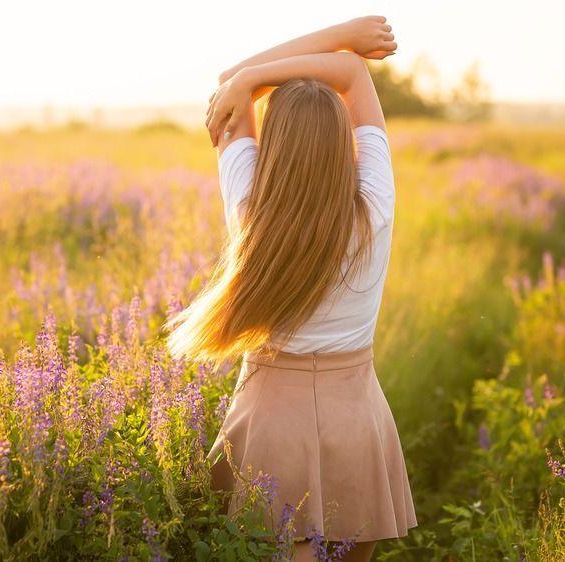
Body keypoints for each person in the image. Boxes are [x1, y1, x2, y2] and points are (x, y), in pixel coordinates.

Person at [164, 15, 417, 562]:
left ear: (273, 147)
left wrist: (245, 81)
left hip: (271, 425)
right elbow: (352, 74)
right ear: (341, 144)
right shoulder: (375, 207)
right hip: (358, 420)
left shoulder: (250, 213)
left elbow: (235, 83)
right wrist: (348, 32)